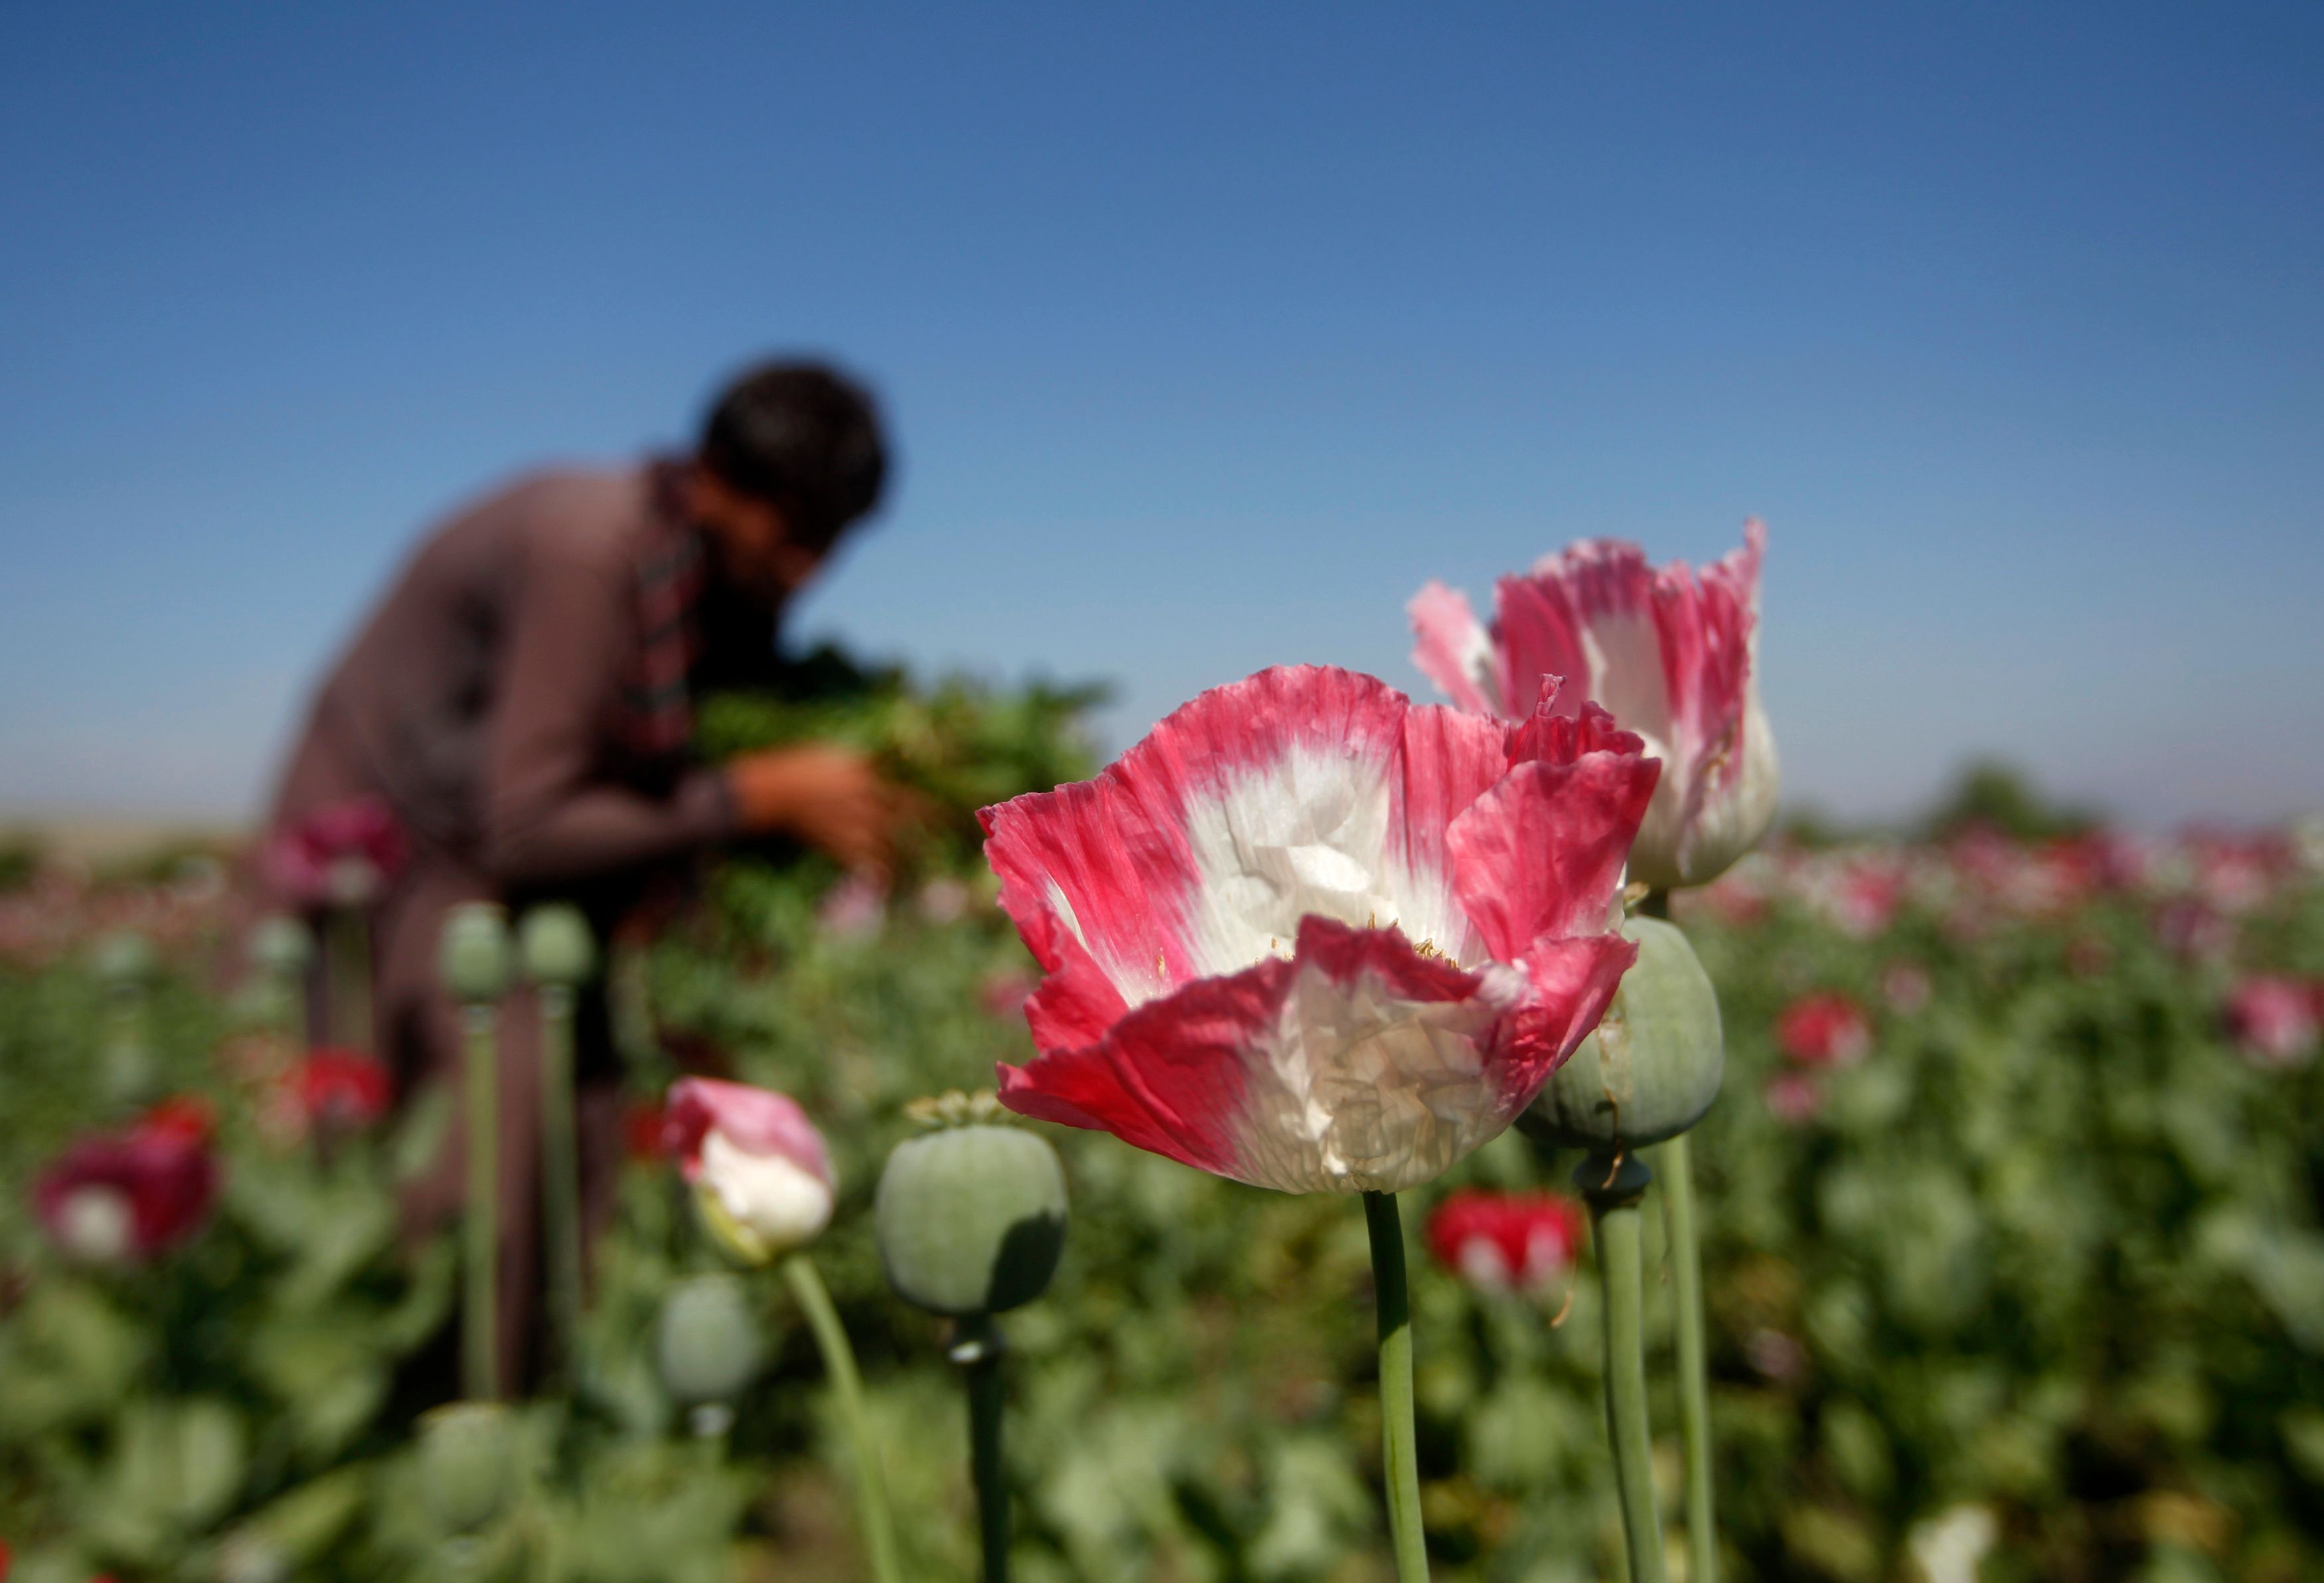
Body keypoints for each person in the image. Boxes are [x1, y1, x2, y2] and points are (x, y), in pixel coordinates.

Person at [262, 358, 910, 1387]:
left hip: (505, 862)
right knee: (495, 1117)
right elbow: (529, 819)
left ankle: (546, 1393)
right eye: (791, 534)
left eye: (828, 543)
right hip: (391, 853)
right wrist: (758, 796)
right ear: (714, 480)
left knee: (594, 1115)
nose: (805, 572)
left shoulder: (701, 574)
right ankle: (441, 1416)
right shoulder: (590, 549)